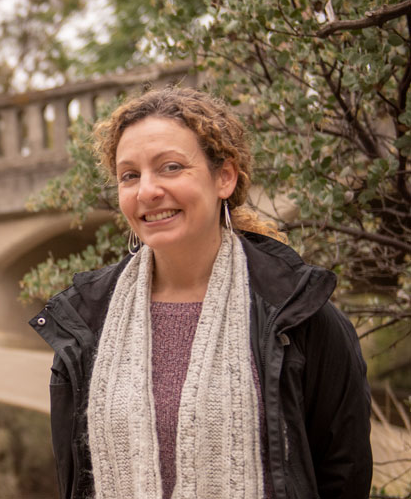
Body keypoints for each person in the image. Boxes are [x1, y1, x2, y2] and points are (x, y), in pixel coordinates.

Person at [29, 87, 372, 499]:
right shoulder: (85, 322)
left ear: (224, 177)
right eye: (129, 175)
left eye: (171, 167)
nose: (147, 191)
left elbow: (343, 474)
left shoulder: (296, 313)